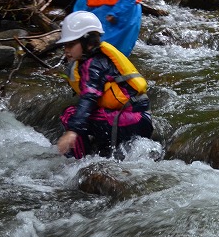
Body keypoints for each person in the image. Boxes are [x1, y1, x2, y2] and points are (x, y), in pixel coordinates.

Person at [56, 11, 153, 158]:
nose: (67, 50)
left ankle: (80, 161)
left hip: (133, 120)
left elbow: (88, 98)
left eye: (71, 44)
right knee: (77, 115)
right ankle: (99, 149)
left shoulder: (93, 64)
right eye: (65, 45)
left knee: (69, 115)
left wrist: (72, 131)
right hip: (137, 118)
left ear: (87, 43)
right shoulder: (94, 60)